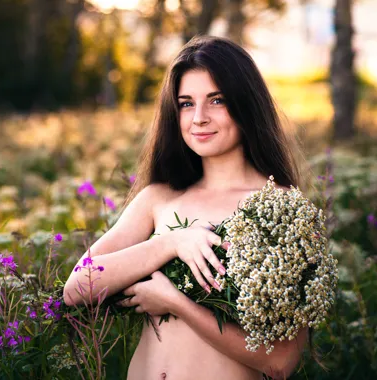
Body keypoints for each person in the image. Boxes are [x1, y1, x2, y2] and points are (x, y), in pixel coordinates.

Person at [64, 35, 309, 380]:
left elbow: (279, 362)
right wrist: (171, 242)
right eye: (186, 103)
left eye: (217, 100)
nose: (199, 118)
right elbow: (77, 288)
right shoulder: (159, 198)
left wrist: (176, 302)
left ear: (245, 104)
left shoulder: (280, 207)